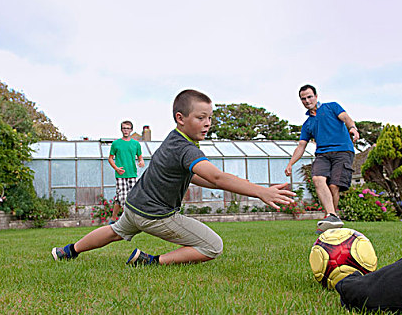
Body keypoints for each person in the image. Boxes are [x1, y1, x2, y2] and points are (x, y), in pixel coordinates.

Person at [52, 89, 295, 265]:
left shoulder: (173, 140)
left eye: (210, 118)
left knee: (115, 230)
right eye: (201, 118)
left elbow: (197, 177)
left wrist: (218, 183)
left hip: (135, 206)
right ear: (180, 118)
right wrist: (261, 191)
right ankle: (151, 261)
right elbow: (218, 178)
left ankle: (68, 251)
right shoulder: (186, 149)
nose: (207, 123)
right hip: (155, 215)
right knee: (212, 246)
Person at [285, 84, 359, 233]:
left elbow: (345, 117)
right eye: (303, 99)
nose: (307, 101)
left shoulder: (331, 107)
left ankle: (330, 216)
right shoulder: (307, 124)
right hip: (322, 154)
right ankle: (332, 216)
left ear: (316, 96)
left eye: (309, 97)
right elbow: (301, 146)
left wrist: (353, 128)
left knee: (333, 186)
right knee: (318, 179)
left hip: (343, 151)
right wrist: (290, 163)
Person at [108, 120, 145, 223]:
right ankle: (127, 221)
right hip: (121, 175)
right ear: (121, 129)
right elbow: (110, 158)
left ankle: (113, 218)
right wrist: (116, 168)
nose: (126, 130)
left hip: (132, 174)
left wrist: (141, 162)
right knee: (123, 198)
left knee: (129, 198)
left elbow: (140, 158)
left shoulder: (136, 144)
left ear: (131, 130)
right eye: (124, 128)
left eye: (128, 128)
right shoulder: (116, 144)